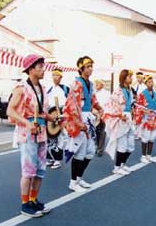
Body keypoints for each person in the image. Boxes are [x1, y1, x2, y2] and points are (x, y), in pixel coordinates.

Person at [7, 54, 54, 217]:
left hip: (41, 133)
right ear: (30, 69)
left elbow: (42, 111)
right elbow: (10, 110)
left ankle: (34, 200)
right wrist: (27, 123)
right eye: (40, 66)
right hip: (27, 134)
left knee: (40, 170)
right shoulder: (21, 88)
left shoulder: (42, 88)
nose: (43, 69)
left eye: (43, 66)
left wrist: (53, 118)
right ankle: (25, 203)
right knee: (28, 171)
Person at [63, 56, 103, 192]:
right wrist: (79, 123)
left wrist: (99, 108)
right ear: (81, 69)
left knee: (90, 151)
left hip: (88, 118)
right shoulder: (76, 84)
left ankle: (78, 178)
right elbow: (71, 105)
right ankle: (73, 182)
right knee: (80, 151)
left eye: (91, 66)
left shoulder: (90, 84)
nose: (91, 69)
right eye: (88, 66)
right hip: (79, 118)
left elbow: (93, 99)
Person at [104, 69, 135, 175]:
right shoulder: (118, 90)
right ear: (124, 78)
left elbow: (131, 104)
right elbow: (112, 105)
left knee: (130, 145)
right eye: (129, 76)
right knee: (122, 144)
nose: (131, 78)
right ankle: (117, 167)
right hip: (122, 118)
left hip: (129, 117)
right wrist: (119, 115)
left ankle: (122, 164)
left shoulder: (129, 90)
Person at [134, 75, 156, 163]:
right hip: (146, 118)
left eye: (152, 82)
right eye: (149, 82)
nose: (151, 84)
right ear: (146, 83)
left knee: (152, 137)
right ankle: (143, 156)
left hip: (154, 117)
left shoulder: (155, 94)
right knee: (145, 137)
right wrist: (144, 111)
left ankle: (149, 155)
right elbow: (138, 106)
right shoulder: (142, 94)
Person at [46, 68, 69, 169]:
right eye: (53, 75)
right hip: (51, 115)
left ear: (61, 77)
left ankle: (58, 160)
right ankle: (51, 158)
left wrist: (64, 114)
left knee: (60, 138)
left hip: (61, 114)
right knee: (50, 138)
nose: (55, 77)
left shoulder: (65, 89)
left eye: (57, 75)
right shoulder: (49, 89)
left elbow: (69, 103)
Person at [94, 79, 110, 156]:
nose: (96, 84)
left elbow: (107, 104)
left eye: (98, 83)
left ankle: (100, 149)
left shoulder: (106, 93)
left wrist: (103, 113)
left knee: (102, 132)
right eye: (95, 83)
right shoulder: (94, 93)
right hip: (95, 114)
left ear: (102, 85)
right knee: (96, 131)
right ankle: (97, 147)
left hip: (103, 114)